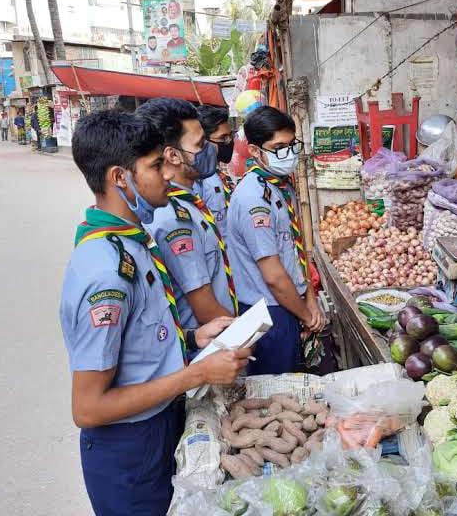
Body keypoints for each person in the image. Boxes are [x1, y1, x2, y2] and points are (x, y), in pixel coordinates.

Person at [59, 109, 251, 514]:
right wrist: (197, 373)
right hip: (129, 448)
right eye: (153, 165)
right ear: (118, 177)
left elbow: (142, 343)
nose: (167, 173)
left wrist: (192, 338)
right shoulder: (106, 272)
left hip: (160, 422)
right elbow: (88, 408)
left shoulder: (131, 242)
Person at [227, 106, 324, 375]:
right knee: (276, 392)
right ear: (256, 151)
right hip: (269, 313)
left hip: (292, 302)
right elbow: (273, 277)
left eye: (292, 145)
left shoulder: (280, 185)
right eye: (279, 147)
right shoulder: (253, 199)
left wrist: (310, 298)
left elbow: (296, 249)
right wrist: (306, 315)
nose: (289, 154)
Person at [138, 99, 238, 339]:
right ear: (173, 155)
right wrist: (242, 334)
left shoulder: (189, 201)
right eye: (201, 144)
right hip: (212, 345)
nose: (211, 149)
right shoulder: (173, 217)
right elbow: (205, 309)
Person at [196, 106, 235, 237]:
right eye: (223, 138)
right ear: (203, 142)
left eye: (231, 136)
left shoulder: (220, 174)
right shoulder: (197, 180)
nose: (229, 142)